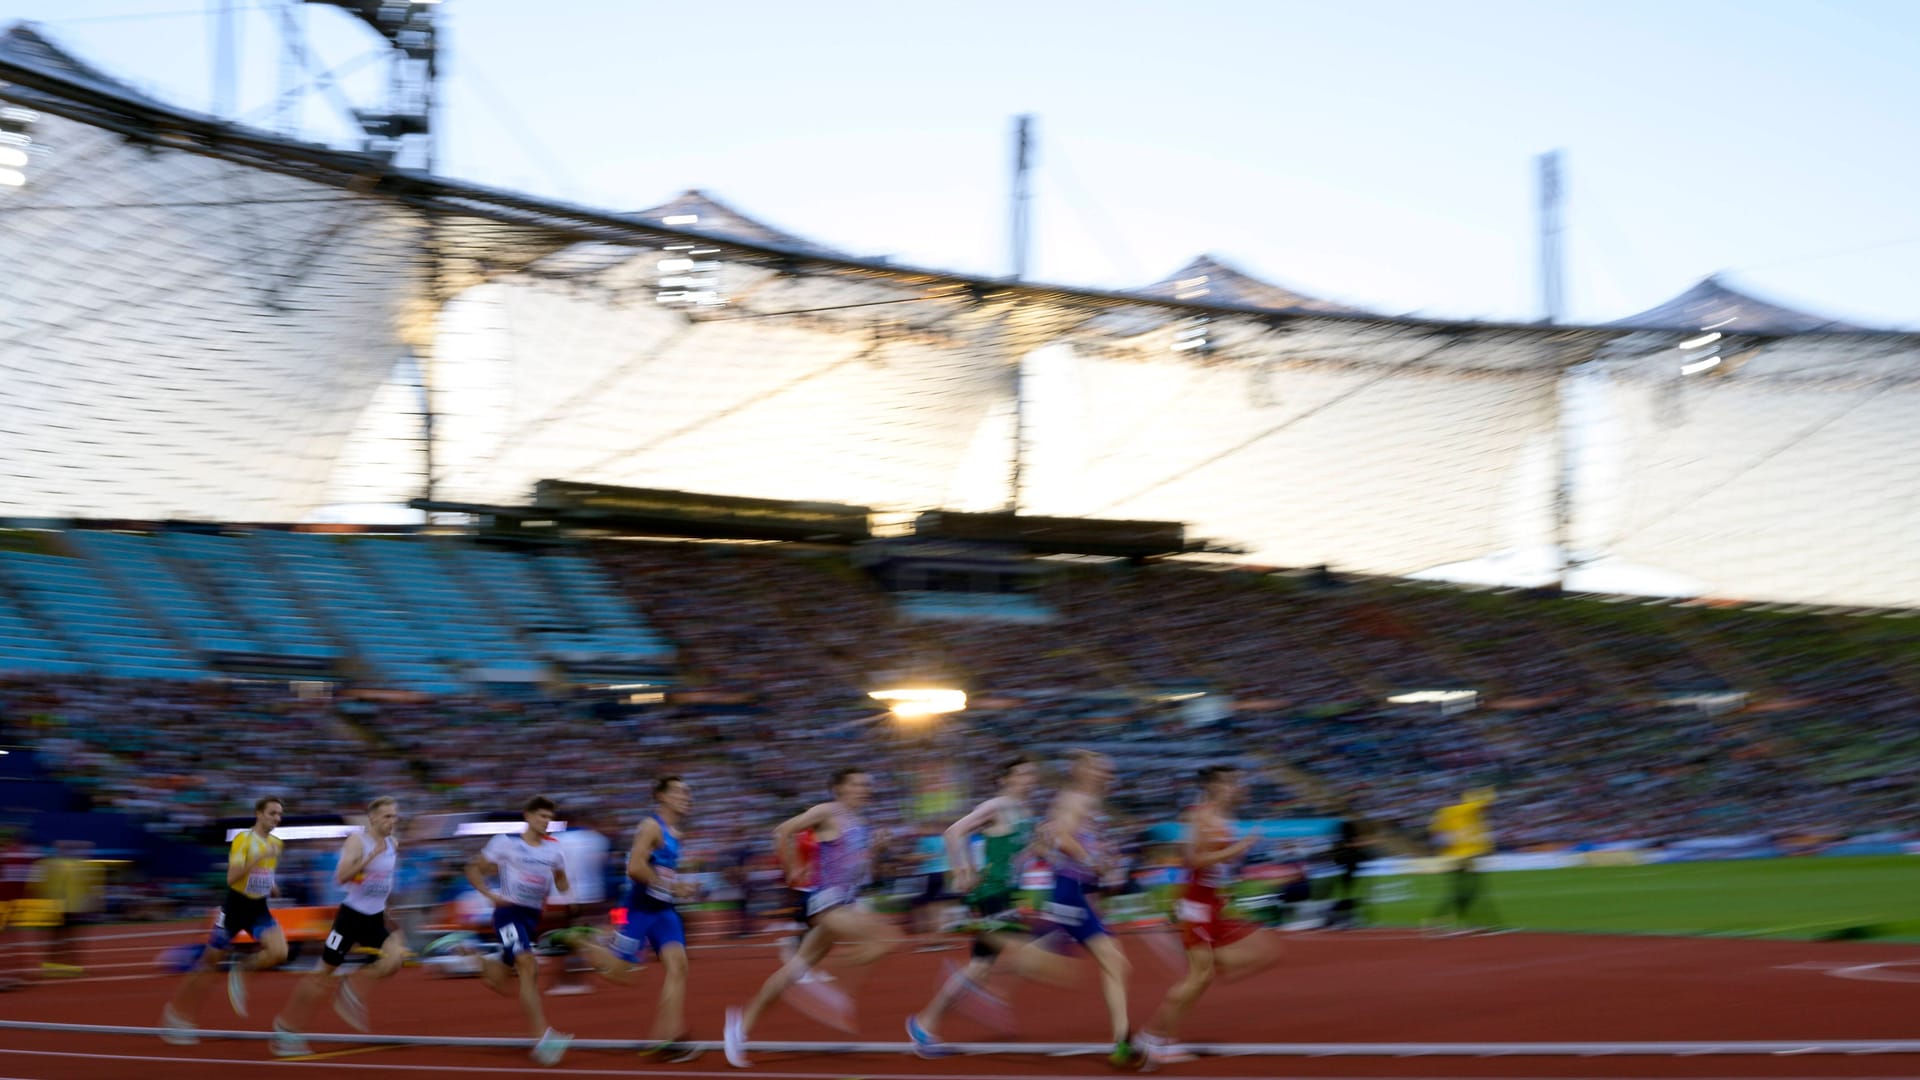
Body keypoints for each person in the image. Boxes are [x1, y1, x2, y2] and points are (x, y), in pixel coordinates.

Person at [724, 767, 893, 1069]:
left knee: (794, 969)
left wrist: (876, 851)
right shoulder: (826, 811)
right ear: (838, 788)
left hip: (846, 901)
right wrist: (791, 868)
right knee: (885, 939)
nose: (864, 789)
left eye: (866, 784)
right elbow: (782, 831)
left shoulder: (860, 823)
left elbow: (859, 870)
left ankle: (740, 1027)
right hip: (827, 903)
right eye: (857, 784)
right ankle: (831, 994)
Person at [906, 755, 1073, 1058]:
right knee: (1029, 956)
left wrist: (1050, 850)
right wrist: (962, 870)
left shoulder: (1024, 812)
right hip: (990, 895)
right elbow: (954, 832)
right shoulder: (996, 806)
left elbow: (1023, 853)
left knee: (982, 966)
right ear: (1005, 779)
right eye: (1022, 774)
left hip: (1007, 894)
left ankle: (925, 1024)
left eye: (1031, 774)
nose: (1029, 779)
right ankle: (939, 1014)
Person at [1139, 765, 1283, 1066]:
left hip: (1212, 904)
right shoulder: (1200, 815)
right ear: (1216, 787)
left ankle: (1157, 1038)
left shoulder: (1222, 818)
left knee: (1263, 950)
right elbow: (1193, 860)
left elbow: (1212, 865)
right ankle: (1155, 1038)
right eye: (1232, 783)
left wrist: (1224, 883)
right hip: (1196, 907)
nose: (1237, 788)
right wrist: (1238, 849)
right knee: (1197, 978)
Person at [271, 797, 408, 1056]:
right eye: (388, 816)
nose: (393, 821)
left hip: (375, 918)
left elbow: (383, 883)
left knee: (394, 959)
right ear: (374, 818)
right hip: (350, 919)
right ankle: (285, 1028)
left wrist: (390, 915)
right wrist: (370, 857)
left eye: (395, 816)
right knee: (321, 975)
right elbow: (341, 877)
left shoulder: (393, 844)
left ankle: (349, 987)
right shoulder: (358, 842)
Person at [1036, 750, 1140, 1068]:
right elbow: (1062, 838)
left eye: (1108, 772)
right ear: (1081, 771)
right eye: (1099, 770)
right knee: (1111, 963)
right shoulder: (1073, 799)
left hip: (1080, 893)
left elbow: (1068, 841)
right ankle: (1122, 1043)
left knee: (1113, 965)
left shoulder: (1090, 805)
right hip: (1070, 892)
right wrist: (1094, 861)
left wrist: (1104, 864)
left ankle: (1122, 1041)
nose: (1106, 776)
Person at [162, 796, 290, 1044]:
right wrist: (258, 858)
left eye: (279, 814)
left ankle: (241, 969)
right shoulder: (244, 840)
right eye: (272, 813)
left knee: (280, 952)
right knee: (207, 965)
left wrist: (272, 885)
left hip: (258, 909)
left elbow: (266, 871)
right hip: (234, 909)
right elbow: (232, 878)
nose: (277, 818)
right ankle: (176, 1016)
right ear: (259, 814)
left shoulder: (277, 843)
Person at [466, 796, 574, 1066]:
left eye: (549, 818)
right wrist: (490, 895)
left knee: (502, 982)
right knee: (527, 965)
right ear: (527, 816)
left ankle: (472, 956)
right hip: (508, 914)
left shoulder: (554, 851)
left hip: (531, 919)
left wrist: (567, 891)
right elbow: (472, 869)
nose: (546, 822)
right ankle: (542, 1039)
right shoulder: (506, 842)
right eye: (541, 816)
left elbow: (561, 880)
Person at [610, 776, 700, 1062]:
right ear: (661, 796)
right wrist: (674, 887)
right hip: (639, 910)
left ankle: (669, 1038)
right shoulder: (651, 826)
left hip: (663, 912)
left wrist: (679, 886)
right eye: (680, 792)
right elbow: (635, 868)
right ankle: (581, 941)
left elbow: (660, 873)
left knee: (678, 967)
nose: (687, 797)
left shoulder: (676, 832)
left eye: (689, 792)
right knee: (619, 973)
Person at [1427, 787, 1500, 933]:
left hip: (1466, 856)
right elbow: (1480, 803)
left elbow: (1435, 830)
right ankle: (1439, 923)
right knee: (1464, 890)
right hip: (1460, 857)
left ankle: (1451, 922)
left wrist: (1486, 848)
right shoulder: (1464, 809)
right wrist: (1489, 796)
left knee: (1468, 890)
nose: (1488, 808)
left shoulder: (1470, 816)